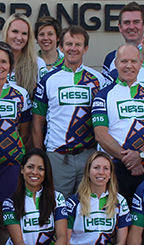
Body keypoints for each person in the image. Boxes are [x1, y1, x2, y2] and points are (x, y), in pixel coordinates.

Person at [31, 25, 104, 196]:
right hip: (57, 156)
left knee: (88, 206)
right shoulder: (48, 79)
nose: (73, 48)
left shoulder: (98, 79)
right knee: (56, 207)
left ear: (85, 48)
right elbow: (37, 123)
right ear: (61, 47)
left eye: (78, 45)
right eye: (69, 44)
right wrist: (41, 157)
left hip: (88, 154)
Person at [93, 43, 144, 204]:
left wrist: (140, 155)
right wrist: (131, 160)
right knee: (116, 219)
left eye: (133, 61)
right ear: (116, 64)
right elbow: (100, 134)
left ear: (140, 64)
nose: (129, 66)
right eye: (124, 61)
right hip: (113, 167)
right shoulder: (103, 95)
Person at [0, 43, 32, 210]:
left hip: (11, 164)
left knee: (8, 215)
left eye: (3, 61)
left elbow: (24, 131)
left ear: (10, 66)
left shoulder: (20, 94)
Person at [0, 14, 40, 98]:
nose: (19, 37)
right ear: (6, 32)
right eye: (15, 31)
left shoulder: (37, 63)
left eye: (24, 33)